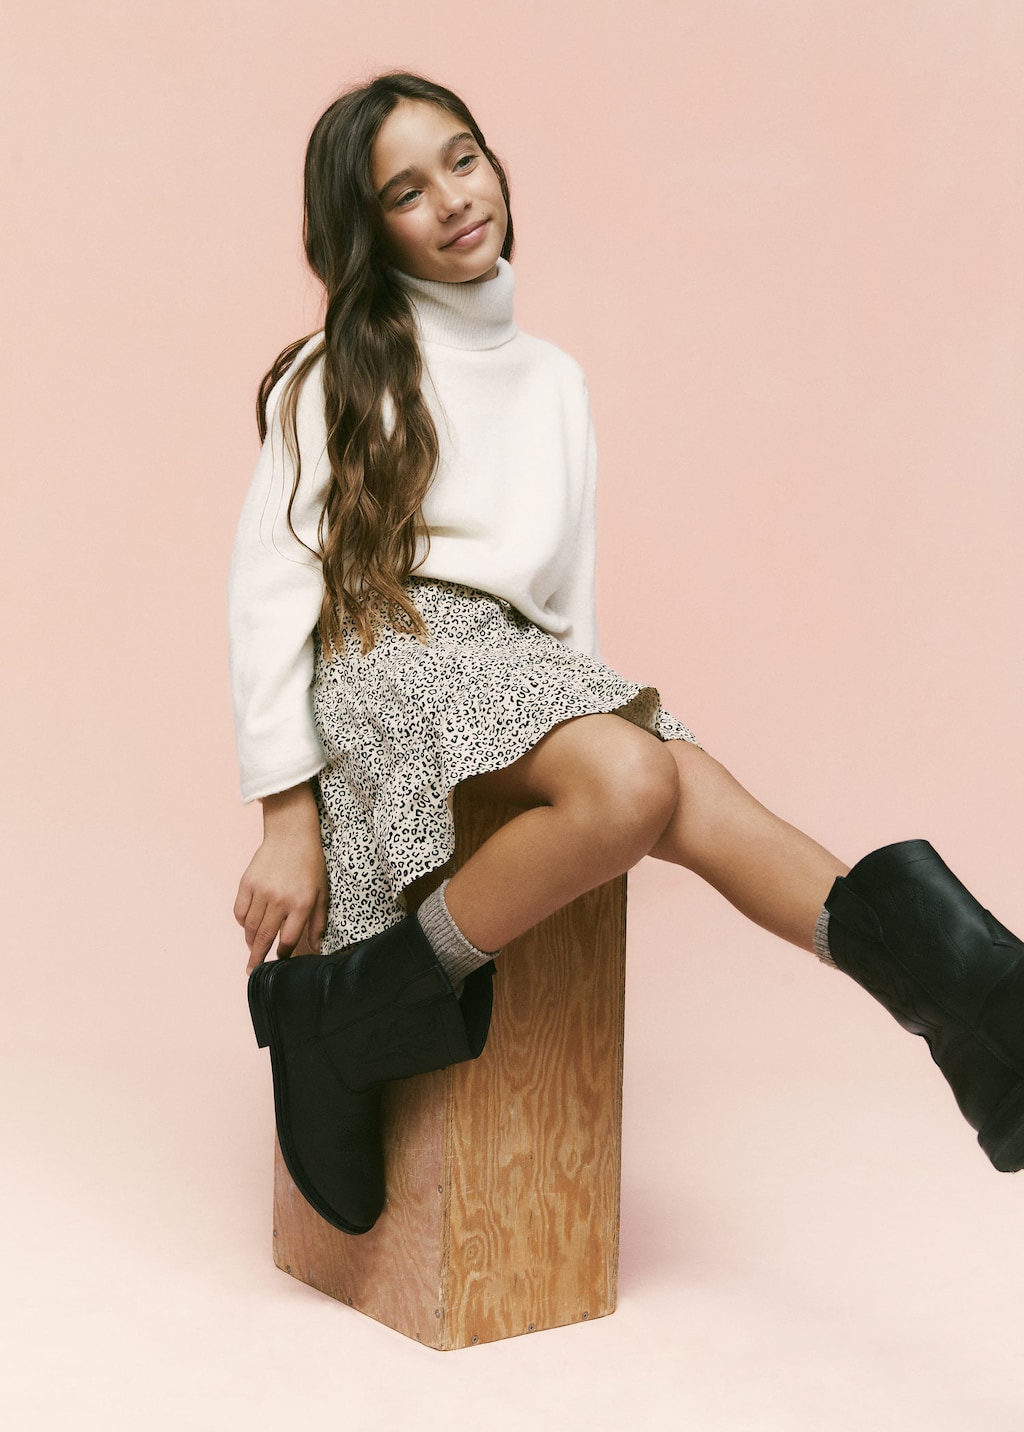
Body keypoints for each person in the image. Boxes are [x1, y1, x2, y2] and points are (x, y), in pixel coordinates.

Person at [229, 71, 1024, 1236]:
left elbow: (563, 602)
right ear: (370, 229)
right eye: (405, 191)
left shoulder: (555, 380)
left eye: (463, 157)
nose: (453, 197)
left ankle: (979, 1004)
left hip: (516, 663)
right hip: (384, 654)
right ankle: (340, 1014)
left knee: (678, 782)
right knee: (633, 778)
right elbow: (267, 587)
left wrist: (592, 727)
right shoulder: (334, 368)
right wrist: (284, 817)